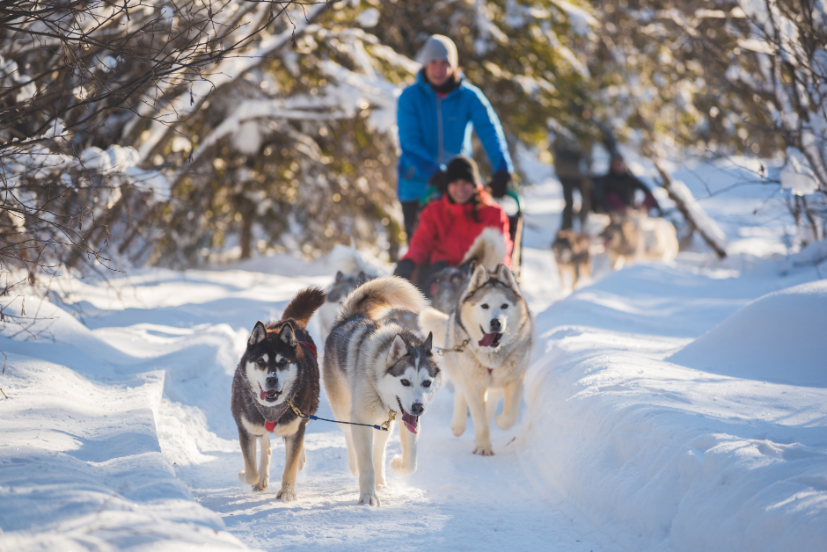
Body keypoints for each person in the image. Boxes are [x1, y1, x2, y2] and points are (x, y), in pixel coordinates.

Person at [396, 35, 514, 243]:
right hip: (417, 186)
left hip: (457, 188)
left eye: (445, 63)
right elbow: (409, 143)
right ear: (425, 65)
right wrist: (436, 173)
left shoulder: (469, 96)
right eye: (433, 63)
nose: (439, 70)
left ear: (454, 65)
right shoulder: (410, 98)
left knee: (455, 251)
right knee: (420, 252)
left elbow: (490, 131)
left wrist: (502, 169)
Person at [393, 156, 512, 283]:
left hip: (479, 277)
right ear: (448, 186)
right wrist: (408, 261)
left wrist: (499, 274)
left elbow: (501, 251)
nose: (460, 189)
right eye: (455, 183)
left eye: (465, 183)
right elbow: (421, 242)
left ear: (475, 185)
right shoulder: (434, 211)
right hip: (441, 274)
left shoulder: (492, 213)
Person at [594, 155, 661, 216]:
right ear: (612, 165)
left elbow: (646, 189)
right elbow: (599, 195)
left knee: (649, 199)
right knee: (612, 197)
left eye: (621, 164)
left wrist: (649, 205)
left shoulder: (629, 178)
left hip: (630, 209)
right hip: (613, 211)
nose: (619, 166)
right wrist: (606, 207)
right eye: (617, 164)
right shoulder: (605, 179)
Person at [551, 133, 591, 231]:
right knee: (569, 202)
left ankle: (583, 226)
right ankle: (567, 228)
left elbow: (587, 152)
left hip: (580, 174)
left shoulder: (583, 130)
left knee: (586, 200)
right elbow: (555, 149)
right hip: (565, 174)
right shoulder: (560, 131)